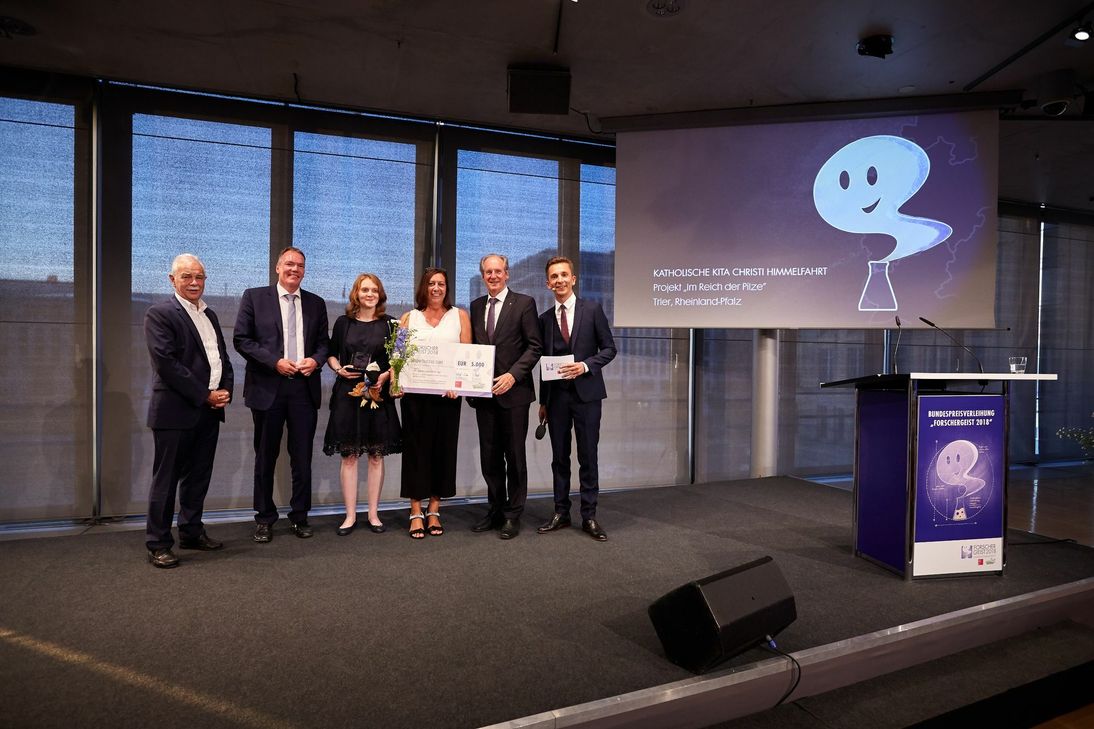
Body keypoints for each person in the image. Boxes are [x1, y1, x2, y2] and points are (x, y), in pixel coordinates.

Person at [143, 253, 233, 568]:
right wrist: (205, 395)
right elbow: (167, 365)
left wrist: (225, 392)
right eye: (187, 276)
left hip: (209, 411)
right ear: (172, 279)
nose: (194, 282)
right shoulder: (160, 313)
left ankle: (192, 532)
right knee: (166, 480)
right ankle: (157, 542)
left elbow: (222, 359)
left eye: (199, 277)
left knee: (198, 477)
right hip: (175, 411)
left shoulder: (210, 315)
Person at [234, 246, 329, 542]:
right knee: (265, 456)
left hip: (303, 388)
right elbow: (242, 340)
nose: (294, 269)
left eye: (300, 265)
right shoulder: (254, 297)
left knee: (301, 458)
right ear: (277, 267)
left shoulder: (316, 303)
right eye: (289, 264)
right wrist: (274, 362)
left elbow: (324, 344)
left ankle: (300, 517)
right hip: (267, 388)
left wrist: (316, 360)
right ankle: (264, 518)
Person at [536, 256, 617, 541]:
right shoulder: (544, 319)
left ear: (573, 279)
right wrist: (543, 402)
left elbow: (609, 349)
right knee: (559, 458)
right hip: (556, 399)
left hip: (587, 396)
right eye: (553, 277)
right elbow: (543, 362)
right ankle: (561, 512)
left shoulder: (592, 310)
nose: (559, 280)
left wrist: (584, 366)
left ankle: (589, 516)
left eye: (563, 275)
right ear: (548, 284)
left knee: (588, 456)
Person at [468, 253, 542, 539]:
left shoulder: (524, 303)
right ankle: (495, 509)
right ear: (483, 275)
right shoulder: (475, 307)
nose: (493, 276)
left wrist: (512, 376)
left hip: (515, 394)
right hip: (484, 396)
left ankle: (513, 514)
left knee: (515, 456)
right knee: (490, 457)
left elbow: (534, 347)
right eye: (488, 272)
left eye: (498, 271)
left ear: (507, 274)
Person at [323, 273, 402, 535]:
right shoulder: (343, 323)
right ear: (356, 293)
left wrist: (386, 375)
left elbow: (398, 360)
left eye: (374, 290)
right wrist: (339, 370)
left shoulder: (391, 324)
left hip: (378, 396)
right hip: (348, 394)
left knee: (377, 456)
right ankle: (349, 516)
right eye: (364, 290)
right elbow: (331, 354)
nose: (370, 294)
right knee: (349, 456)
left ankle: (373, 514)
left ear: (380, 295)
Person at [398, 268, 472, 539]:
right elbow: (398, 356)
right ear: (424, 287)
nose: (437, 288)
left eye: (441, 283)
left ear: (447, 288)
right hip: (415, 398)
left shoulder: (460, 316)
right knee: (416, 452)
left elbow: (467, 357)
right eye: (432, 283)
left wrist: (459, 385)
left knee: (443, 451)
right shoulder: (409, 317)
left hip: (447, 398)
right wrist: (397, 382)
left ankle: (434, 510)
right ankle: (415, 510)